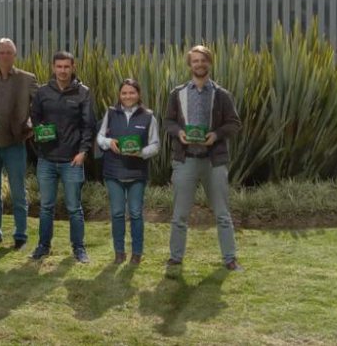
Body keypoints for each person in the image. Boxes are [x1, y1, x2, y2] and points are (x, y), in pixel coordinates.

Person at [163, 45, 243, 272]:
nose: (200, 64)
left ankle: (230, 259)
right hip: (185, 159)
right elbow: (168, 121)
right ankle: (175, 258)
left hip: (213, 160)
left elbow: (234, 123)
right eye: (195, 61)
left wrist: (216, 135)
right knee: (179, 214)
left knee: (222, 214)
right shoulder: (177, 94)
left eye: (203, 60)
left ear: (210, 63)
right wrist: (178, 132)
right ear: (190, 65)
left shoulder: (222, 94)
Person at [29, 51, 95, 263]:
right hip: (46, 159)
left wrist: (83, 152)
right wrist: (40, 131)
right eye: (59, 66)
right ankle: (43, 246)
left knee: (74, 208)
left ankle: (79, 248)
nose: (63, 71)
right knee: (46, 206)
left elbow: (88, 126)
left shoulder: (83, 92)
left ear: (73, 67)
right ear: (53, 67)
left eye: (67, 67)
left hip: (72, 160)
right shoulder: (42, 92)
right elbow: (35, 117)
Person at [0, 38, 37, 249]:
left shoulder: (27, 79)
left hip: (14, 144)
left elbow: (38, 108)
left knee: (18, 192)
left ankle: (20, 235)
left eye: (9, 52)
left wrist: (31, 126)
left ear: (15, 54)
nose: (5, 56)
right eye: (1, 52)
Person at [96, 79, 160, 265]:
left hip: (137, 174)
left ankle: (137, 253)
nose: (127, 96)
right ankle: (119, 252)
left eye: (131, 92)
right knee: (116, 213)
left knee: (136, 213)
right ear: (119, 95)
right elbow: (100, 137)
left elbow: (155, 145)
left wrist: (141, 153)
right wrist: (109, 143)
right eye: (124, 93)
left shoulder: (149, 116)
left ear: (138, 94)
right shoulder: (110, 113)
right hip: (113, 172)